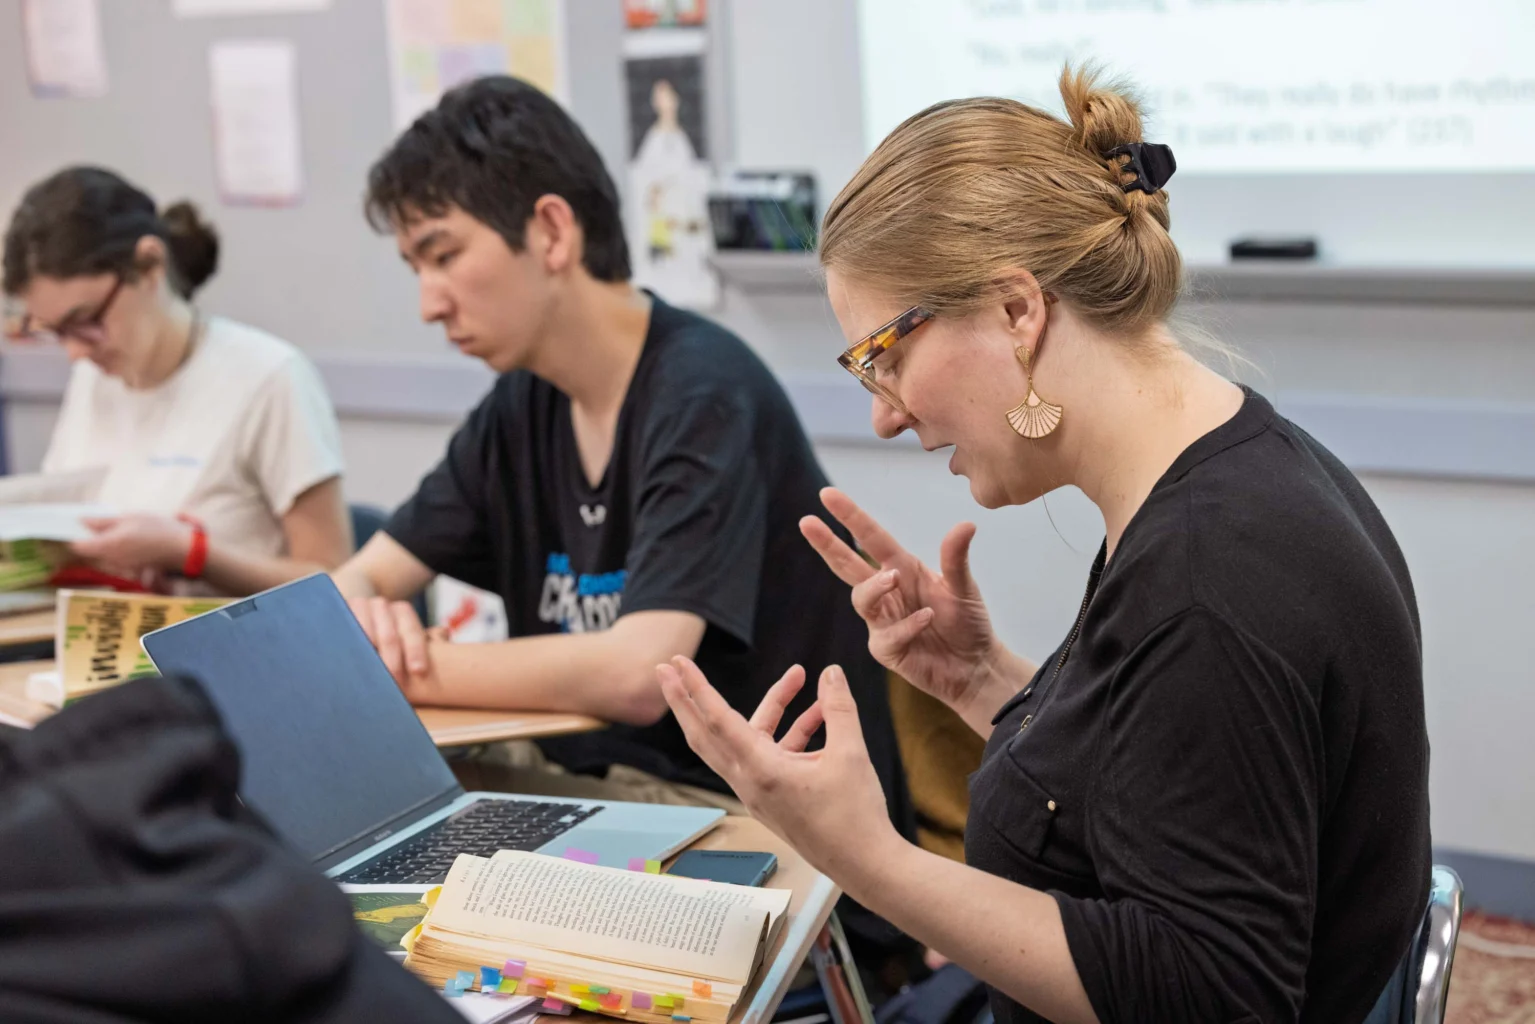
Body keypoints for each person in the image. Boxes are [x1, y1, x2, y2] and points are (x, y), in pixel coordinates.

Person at [656, 67, 1430, 1024]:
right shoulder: (1241, 470)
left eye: (883, 356)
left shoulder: (1210, 580)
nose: (884, 414)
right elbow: (1162, 788)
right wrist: (984, 684)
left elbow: (1210, 995)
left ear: (1018, 310)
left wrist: (868, 860)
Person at [333, 76, 910, 831]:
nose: (429, 303)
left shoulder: (703, 389)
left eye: (442, 256)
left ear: (550, 231)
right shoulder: (520, 402)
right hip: (605, 791)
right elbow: (364, 577)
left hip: (754, 816)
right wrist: (377, 627)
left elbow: (643, 671)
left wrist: (407, 669)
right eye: (416, 269)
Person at [2, 167, 351, 596]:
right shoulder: (93, 378)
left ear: (149, 265)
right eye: (54, 331)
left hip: (234, 653)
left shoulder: (269, 378)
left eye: (85, 321)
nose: (75, 353)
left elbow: (339, 583)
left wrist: (193, 554)